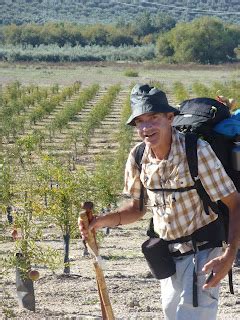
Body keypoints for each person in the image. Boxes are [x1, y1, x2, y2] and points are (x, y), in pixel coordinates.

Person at [79, 84, 240, 320]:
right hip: (167, 256)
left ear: (169, 118)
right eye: (140, 121)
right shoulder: (138, 156)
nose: (146, 127)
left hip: (203, 254)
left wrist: (228, 256)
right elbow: (136, 210)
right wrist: (100, 222)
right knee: (172, 315)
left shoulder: (197, 151)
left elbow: (235, 203)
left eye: (153, 118)